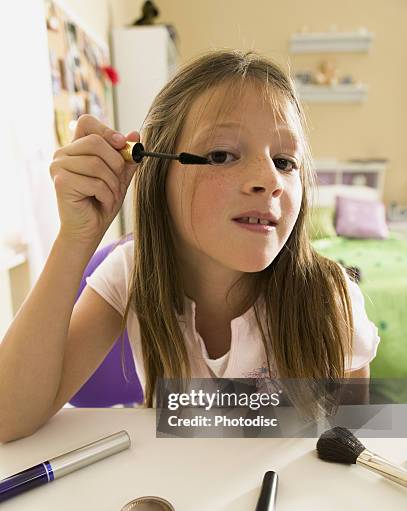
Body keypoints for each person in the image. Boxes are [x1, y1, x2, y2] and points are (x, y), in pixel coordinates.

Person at [0, 49, 379, 442]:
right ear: (158, 173)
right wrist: (76, 237)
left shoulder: (329, 297)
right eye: (221, 155)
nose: (270, 180)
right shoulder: (131, 274)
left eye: (285, 161)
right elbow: (7, 417)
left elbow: (349, 445)